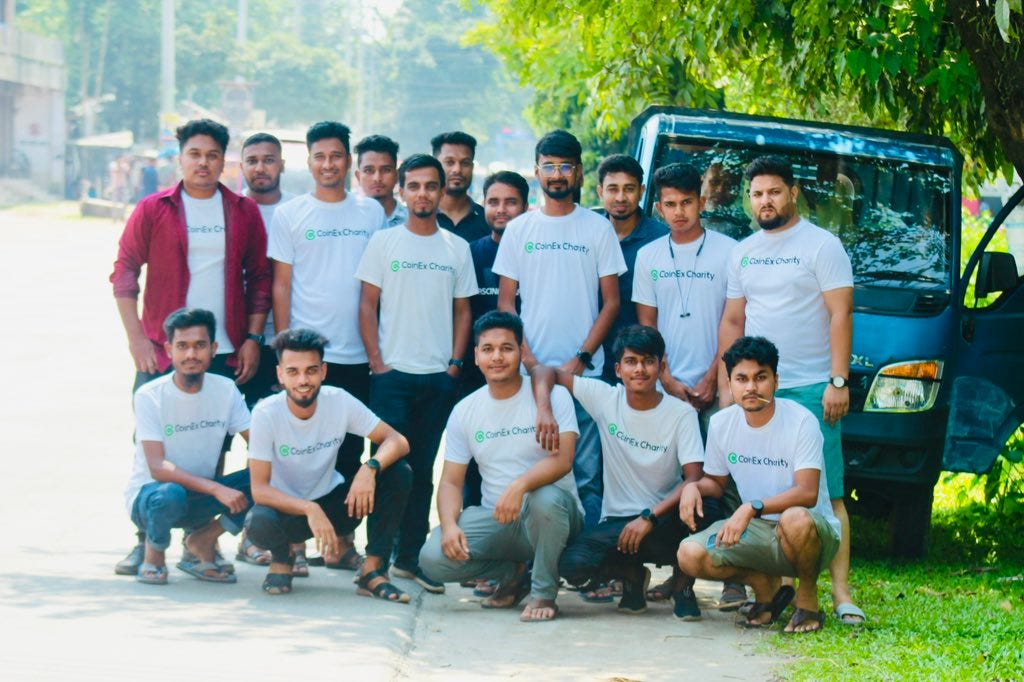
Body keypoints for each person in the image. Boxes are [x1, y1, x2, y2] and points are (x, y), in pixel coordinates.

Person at [110, 118, 271, 576]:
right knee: (150, 445)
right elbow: (124, 272)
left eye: (212, 155)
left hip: (222, 351)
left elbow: (259, 279)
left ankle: (201, 544)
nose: (203, 163)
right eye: (195, 154)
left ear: (225, 161)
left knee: (214, 443)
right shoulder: (153, 208)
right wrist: (137, 339)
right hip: (163, 352)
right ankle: (147, 541)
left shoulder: (241, 211)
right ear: (180, 158)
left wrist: (252, 339)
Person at [717, 155, 863, 625]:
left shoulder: (822, 245)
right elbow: (733, 320)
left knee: (829, 494)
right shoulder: (742, 252)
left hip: (812, 387)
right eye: (757, 194)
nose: (765, 201)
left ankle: (841, 593)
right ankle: (779, 589)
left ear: (793, 193)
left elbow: (841, 314)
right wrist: (726, 388)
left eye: (774, 192)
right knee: (769, 491)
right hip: (758, 391)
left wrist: (837, 381)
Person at [531, 325, 718, 619]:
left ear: (661, 367)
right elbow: (544, 371)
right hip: (618, 522)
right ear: (618, 369)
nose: (640, 369)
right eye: (631, 361)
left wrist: (649, 517)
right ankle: (632, 576)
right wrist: (544, 409)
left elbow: (694, 478)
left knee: (706, 504)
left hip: (665, 519)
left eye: (648, 361)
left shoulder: (681, 413)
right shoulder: (606, 398)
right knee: (572, 566)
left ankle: (683, 587)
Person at [268, 121, 387, 574]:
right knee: (296, 454)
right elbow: (282, 285)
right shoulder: (290, 215)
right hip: (306, 358)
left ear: (349, 161)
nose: (328, 164)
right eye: (320, 156)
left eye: (336, 156)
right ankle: (293, 544)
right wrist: (285, 349)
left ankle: (341, 542)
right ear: (309, 161)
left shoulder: (370, 213)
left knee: (348, 453)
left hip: (356, 353)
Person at [356, 153, 478, 593]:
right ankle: (377, 559)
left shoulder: (457, 248)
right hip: (392, 377)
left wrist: (454, 364)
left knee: (424, 470)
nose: (422, 194)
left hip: (437, 378)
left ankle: (408, 558)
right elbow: (367, 305)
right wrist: (377, 363)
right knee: (391, 469)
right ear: (402, 191)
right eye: (414, 186)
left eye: (430, 186)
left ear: (442, 191)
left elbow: (463, 311)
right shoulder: (384, 242)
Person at [493, 129, 626, 528]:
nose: (556, 174)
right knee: (527, 466)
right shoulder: (520, 229)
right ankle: (523, 554)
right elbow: (506, 303)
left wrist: (581, 358)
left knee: (587, 474)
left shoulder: (597, 228)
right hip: (528, 372)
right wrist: (528, 359)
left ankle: (586, 557)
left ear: (579, 172)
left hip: (584, 375)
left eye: (565, 167)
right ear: (536, 172)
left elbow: (612, 302)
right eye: (548, 166)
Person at [419, 311, 583, 622]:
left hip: (555, 517)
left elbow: (563, 460)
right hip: (500, 519)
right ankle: (513, 573)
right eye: (488, 349)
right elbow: (451, 481)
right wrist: (450, 525)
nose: (497, 357)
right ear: (476, 356)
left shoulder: (553, 397)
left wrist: (519, 486)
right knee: (433, 558)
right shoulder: (465, 411)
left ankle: (543, 592)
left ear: (521, 352)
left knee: (544, 498)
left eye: (506, 348)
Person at [632, 162, 745, 609]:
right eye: (670, 204)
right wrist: (667, 380)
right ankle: (680, 577)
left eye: (687, 202)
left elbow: (733, 321)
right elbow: (647, 326)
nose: (679, 212)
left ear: (702, 201)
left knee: (725, 481)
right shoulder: (649, 257)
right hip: (668, 389)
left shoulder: (729, 252)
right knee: (679, 481)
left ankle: (734, 577)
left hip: (719, 387)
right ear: (658, 208)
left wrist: (713, 377)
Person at [677, 336, 841, 633]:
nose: (751, 387)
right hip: (759, 530)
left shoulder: (801, 421)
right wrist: (693, 488)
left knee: (794, 518)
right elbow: (715, 482)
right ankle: (763, 585)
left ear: (776, 380)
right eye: (741, 379)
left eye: (760, 377)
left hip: (810, 531)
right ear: (730, 383)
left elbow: (807, 492)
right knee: (688, 554)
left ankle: (807, 600)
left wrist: (751, 507)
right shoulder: (722, 423)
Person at [245, 328, 413, 600]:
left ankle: (372, 571)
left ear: (323, 371)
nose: (303, 380)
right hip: (287, 513)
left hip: (336, 508)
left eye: (311, 371)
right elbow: (260, 490)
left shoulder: (339, 401)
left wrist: (369, 468)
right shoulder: (266, 413)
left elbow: (397, 440)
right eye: (293, 372)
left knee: (398, 472)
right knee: (258, 522)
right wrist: (309, 508)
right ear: (280, 374)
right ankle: (283, 557)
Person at [126, 308, 254, 585]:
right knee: (170, 493)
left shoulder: (226, 390)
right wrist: (216, 488)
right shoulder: (150, 396)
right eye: (182, 346)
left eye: (199, 345)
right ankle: (154, 554)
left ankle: (203, 540)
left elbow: (258, 445)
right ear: (169, 350)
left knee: (268, 475)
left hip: (199, 499)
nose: (191, 354)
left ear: (213, 349)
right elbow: (158, 467)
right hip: (152, 498)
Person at [235, 131, 296, 566]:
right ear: (241, 166)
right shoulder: (231, 210)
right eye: (252, 160)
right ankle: (223, 533)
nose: (261, 167)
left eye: (269, 159)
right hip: (233, 341)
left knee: (282, 442)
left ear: (282, 165)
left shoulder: (295, 211)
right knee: (236, 439)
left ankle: (279, 536)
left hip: (282, 342)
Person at [594, 154, 668, 382]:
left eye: (629, 189)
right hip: (591, 357)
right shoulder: (588, 232)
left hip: (641, 362)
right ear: (600, 191)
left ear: (642, 191)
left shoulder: (661, 239)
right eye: (612, 189)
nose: (620, 197)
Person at [432, 131, 489, 242]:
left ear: (472, 167)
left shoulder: (487, 221)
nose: (457, 170)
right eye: (449, 162)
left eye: (465, 163)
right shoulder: (419, 218)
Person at [354, 134, 407, 227]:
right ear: (358, 177)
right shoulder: (347, 220)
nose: (377, 178)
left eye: (386, 170)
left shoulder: (414, 221)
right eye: (368, 170)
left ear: (396, 175)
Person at [700, 161, 752, 241]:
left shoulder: (745, 231)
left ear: (737, 191)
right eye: (714, 182)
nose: (720, 190)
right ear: (701, 181)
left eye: (729, 185)